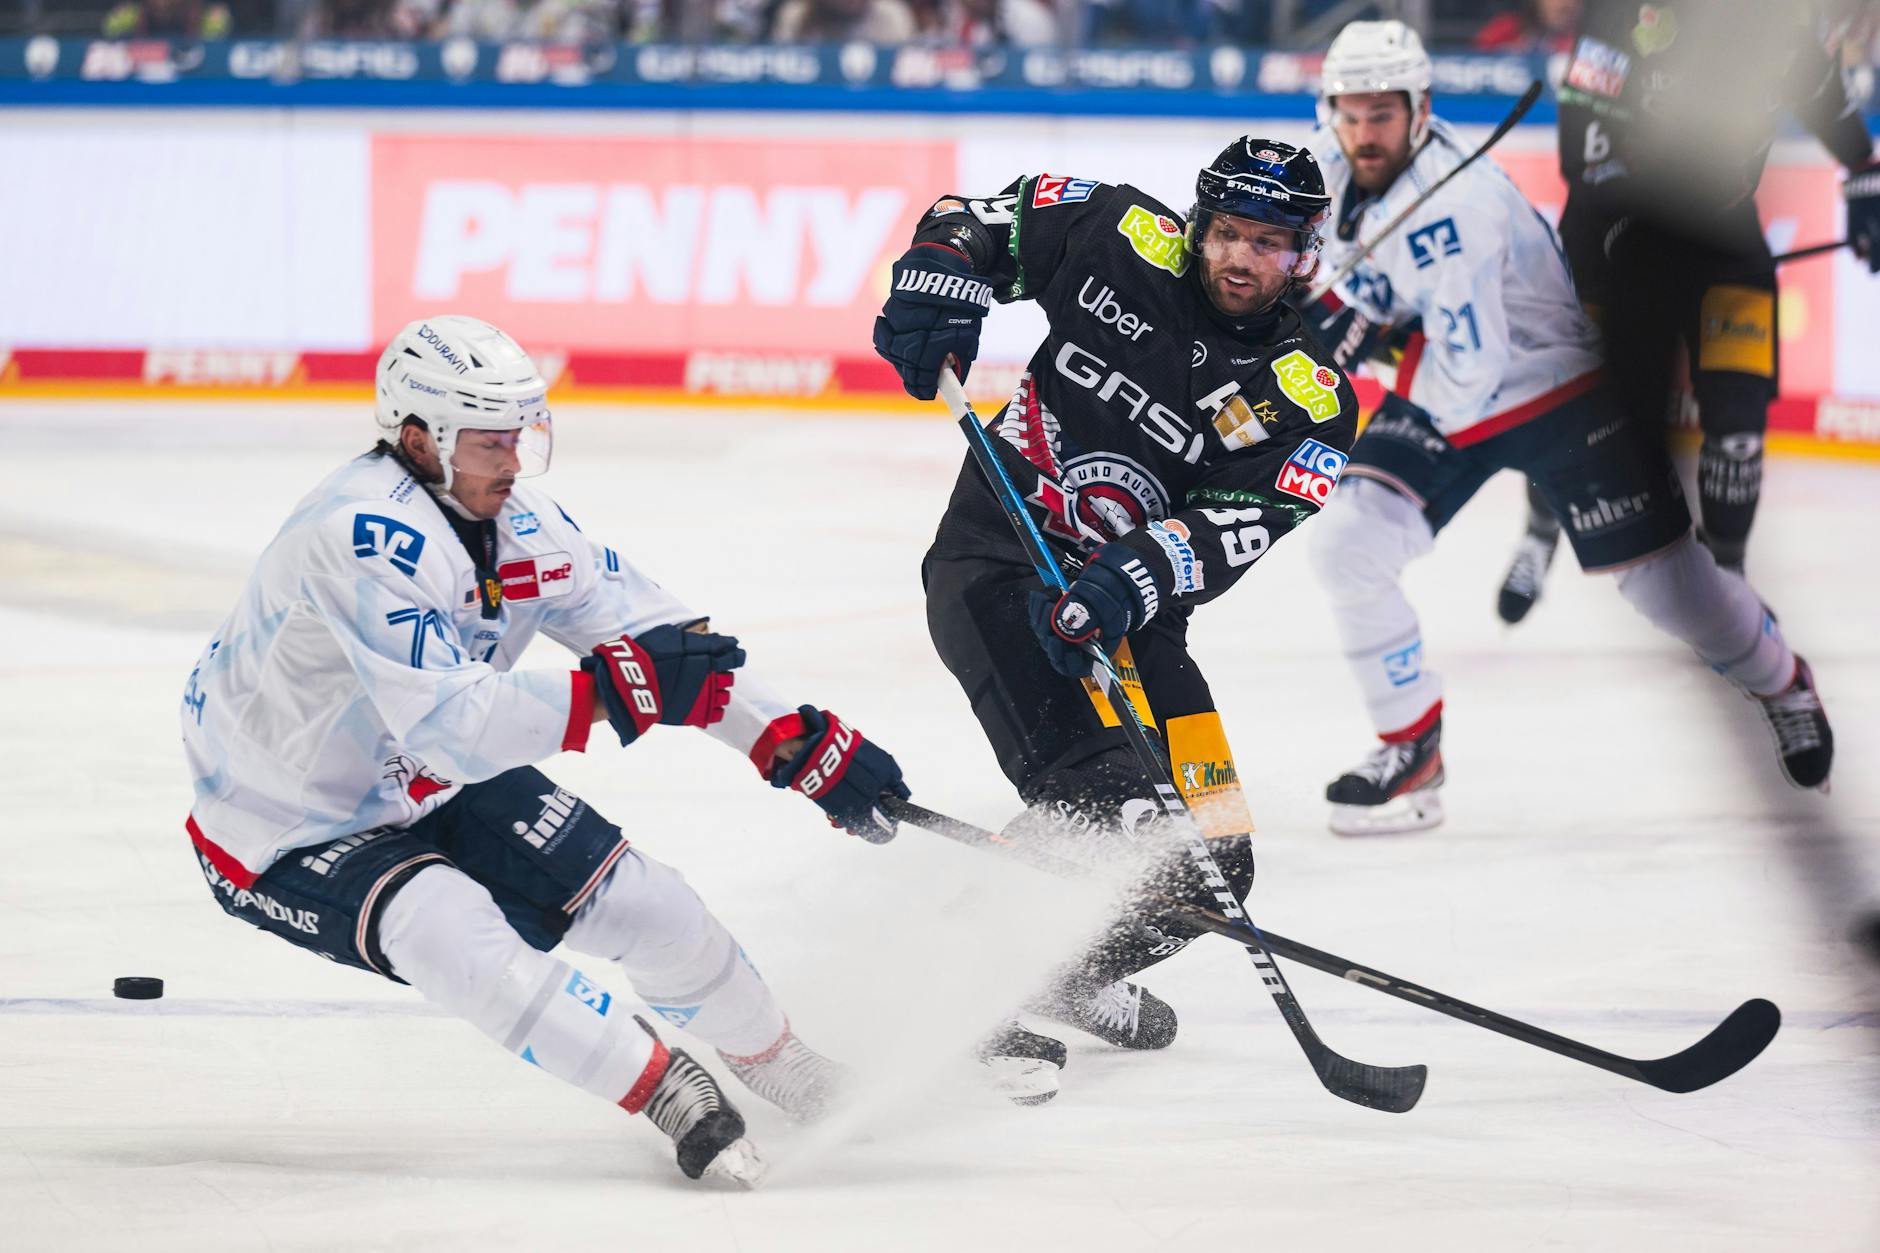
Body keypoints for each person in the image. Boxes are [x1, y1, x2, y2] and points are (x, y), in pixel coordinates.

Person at [179, 316, 909, 1186]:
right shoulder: (358, 535)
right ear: (418, 438)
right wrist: (615, 688)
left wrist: (793, 739)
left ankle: (778, 1057)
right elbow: (451, 723)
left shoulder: (524, 521)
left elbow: (661, 638)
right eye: (490, 442)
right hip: (287, 822)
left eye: (521, 435)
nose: (514, 461)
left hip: (428, 783)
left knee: (652, 906)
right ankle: (665, 1087)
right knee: (447, 928)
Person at [874, 140, 1358, 1098]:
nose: (1239, 258)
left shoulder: (1311, 403)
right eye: (1226, 231)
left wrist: (1129, 577)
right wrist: (940, 277)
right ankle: (964, 993)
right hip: (997, 564)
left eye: (1268, 242)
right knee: (1109, 799)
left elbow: (1234, 528)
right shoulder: (1121, 234)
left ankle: (1059, 976)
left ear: (1305, 252)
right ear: (1196, 223)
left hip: (1131, 622)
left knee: (1218, 860)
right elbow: (984, 220)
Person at [1299, 20, 1834, 837]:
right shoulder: (1330, 168)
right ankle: (1410, 742)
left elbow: (1468, 381)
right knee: (1348, 544)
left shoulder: (1458, 211)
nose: (1364, 134)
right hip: (1445, 378)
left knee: (1667, 587)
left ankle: (1784, 678)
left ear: (1420, 108)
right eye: (1350, 114)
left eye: (1382, 115)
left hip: (1555, 392)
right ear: (1328, 111)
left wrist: (1368, 341)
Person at [1496, 0, 1880, 622]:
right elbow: (1583, 149)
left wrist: (1864, 171)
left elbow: (1818, 89)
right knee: (1576, 417)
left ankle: (1727, 579)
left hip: (1723, 241)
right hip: (1609, 237)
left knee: (1737, 427)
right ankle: (1542, 532)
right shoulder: (1618, 16)